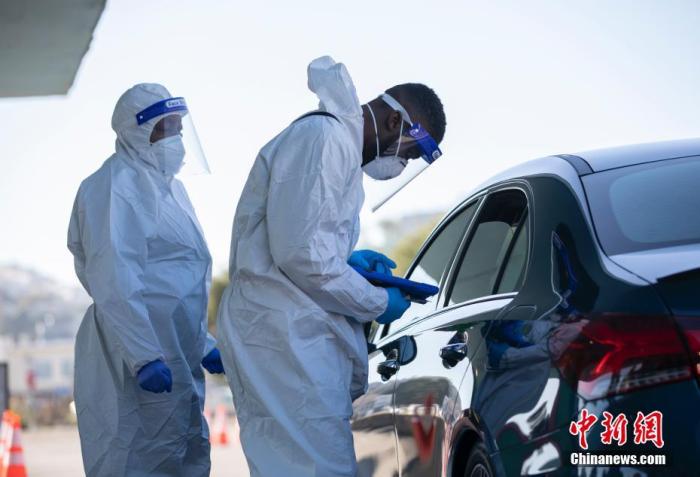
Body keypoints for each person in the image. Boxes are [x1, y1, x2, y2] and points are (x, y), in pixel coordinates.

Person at [217, 56, 446, 476]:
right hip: (285, 338)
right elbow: (302, 256)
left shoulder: (336, 147)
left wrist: (350, 265)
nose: (402, 165)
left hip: (290, 335)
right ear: (396, 123)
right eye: (410, 154)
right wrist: (378, 301)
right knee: (314, 467)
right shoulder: (326, 139)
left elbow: (304, 245)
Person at [67, 83, 225, 477]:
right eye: (166, 128)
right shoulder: (114, 186)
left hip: (175, 351)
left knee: (184, 453)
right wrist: (144, 356)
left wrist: (203, 343)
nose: (178, 139)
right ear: (137, 132)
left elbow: (176, 278)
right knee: (134, 457)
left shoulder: (173, 191)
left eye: (180, 128)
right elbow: (114, 276)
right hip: (136, 356)